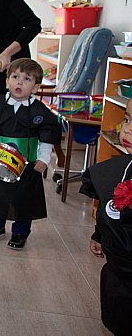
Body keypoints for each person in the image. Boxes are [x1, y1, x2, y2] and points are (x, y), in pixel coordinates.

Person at [0, 58, 61, 250]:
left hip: (26, 164)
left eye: (27, 79)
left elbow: (46, 136)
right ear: (7, 81)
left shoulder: (38, 110)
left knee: (23, 198)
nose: (19, 82)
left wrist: (44, 159)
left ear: (35, 87)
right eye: (15, 77)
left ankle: (20, 231)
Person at [79, 99, 132, 336]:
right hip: (119, 271)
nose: (127, 128)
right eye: (128, 119)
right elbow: (110, 208)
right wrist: (99, 234)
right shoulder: (123, 168)